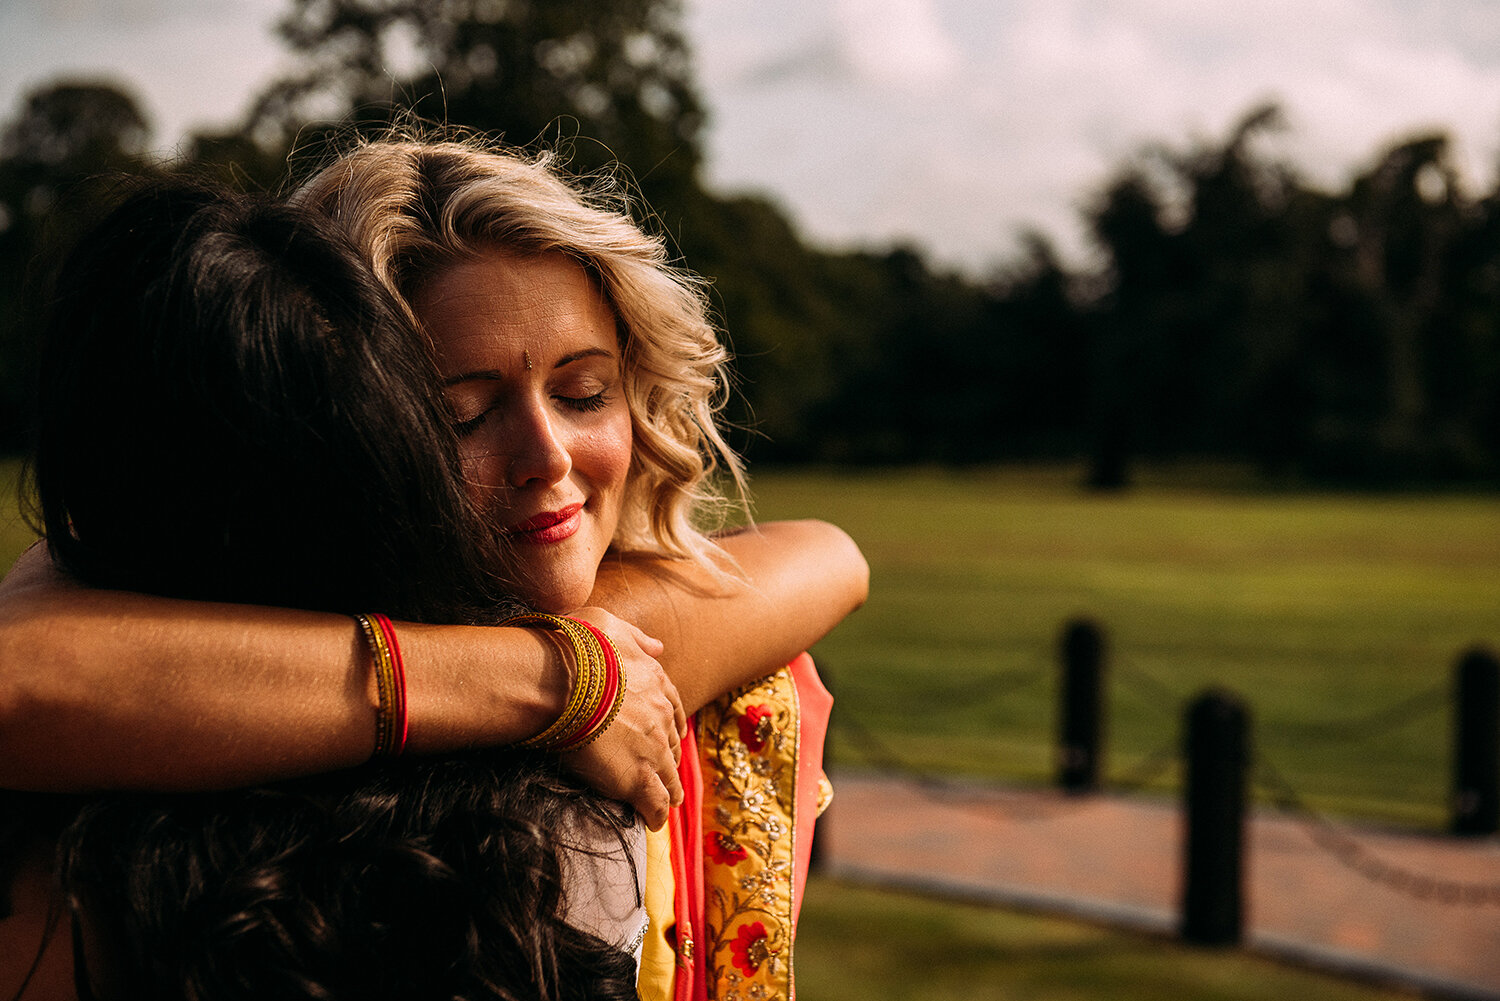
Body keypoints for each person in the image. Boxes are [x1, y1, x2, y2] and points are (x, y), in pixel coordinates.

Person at [0, 135, 867, 999]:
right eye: (463, 415)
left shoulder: (649, 637)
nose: (547, 457)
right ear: (342, 433)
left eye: (583, 393)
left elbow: (832, 555)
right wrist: (549, 674)